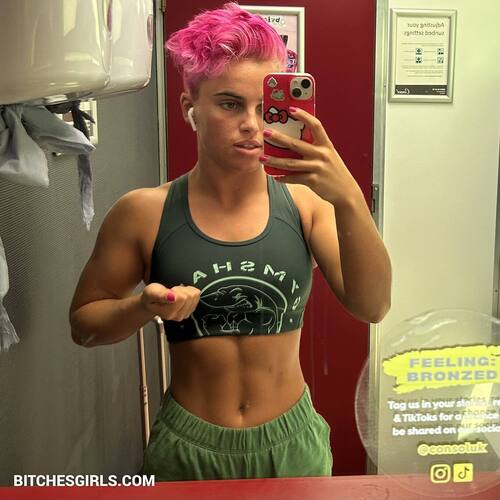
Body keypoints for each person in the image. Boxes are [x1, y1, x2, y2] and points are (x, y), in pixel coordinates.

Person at [69, 2, 391, 482]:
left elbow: (373, 306)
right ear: (190, 108)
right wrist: (144, 307)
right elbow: (84, 324)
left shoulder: (306, 206)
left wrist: (347, 195)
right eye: (230, 104)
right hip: (188, 448)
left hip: (291, 445)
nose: (253, 125)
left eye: (265, 107)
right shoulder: (143, 213)